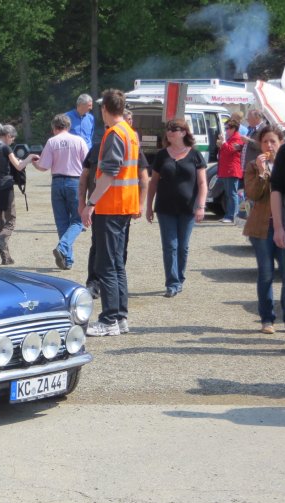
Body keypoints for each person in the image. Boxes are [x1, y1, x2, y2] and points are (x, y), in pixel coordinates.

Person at [81, 89, 140, 337]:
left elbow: (110, 173)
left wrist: (90, 203)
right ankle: (120, 317)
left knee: (106, 265)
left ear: (105, 109)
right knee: (116, 264)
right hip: (123, 206)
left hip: (110, 207)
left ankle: (109, 320)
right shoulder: (130, 132)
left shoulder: (115, 133)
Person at [79, 110, 149, 299]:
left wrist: (139, 204)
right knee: (101, 252)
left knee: (112, 262)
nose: (128, 123)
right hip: (105, 207)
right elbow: (85, 177)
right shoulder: (97, 147)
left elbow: (142, 178)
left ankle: (112, 316)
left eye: (130, 120)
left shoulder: (125, 141)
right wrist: (83, 203)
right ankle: (94, 285)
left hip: (114, 207)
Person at [145, 118, 207, 298]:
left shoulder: (195, 155)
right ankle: (172, 283)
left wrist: (201, 206)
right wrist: (149, 206)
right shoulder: (162, 155)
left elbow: (203, 183)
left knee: (183, 246)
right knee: (170, 245)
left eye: (175, 128)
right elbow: (153, 183)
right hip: (165, 208)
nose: (170, 131)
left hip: (188, 208)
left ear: (184, 132)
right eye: (168, 129)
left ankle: (180, 278)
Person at [244, 125, 285, 334]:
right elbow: (252, 194)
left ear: (280, 143)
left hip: (284, 226)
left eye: (273, 142)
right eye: (265, 142)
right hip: (262, 228)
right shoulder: (253, 165)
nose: (269, 146)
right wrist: (262, 173)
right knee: (266, 273)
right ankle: (267, 318)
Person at [32, 113, 89, 270]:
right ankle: (64, 249)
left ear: (54, 128)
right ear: (68, 126)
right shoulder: (79, 141)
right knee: (78, 220)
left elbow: (44, 166)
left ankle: (67, 259)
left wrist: (34, 163)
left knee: (62, 221)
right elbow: (87, 164)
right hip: (75, 182)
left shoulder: (52, 142)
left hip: (57, 182)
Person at [0, 123, 38, 267]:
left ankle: (5, 257)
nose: (13, 140)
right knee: (11, 220)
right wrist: (30, 157)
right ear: (7, 136)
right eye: (12, 138)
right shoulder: (5, 148)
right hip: (5, 187)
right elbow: (19, 166)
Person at [218, 117, 244, 223]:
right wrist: (222, 144)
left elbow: (230, 150)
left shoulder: (237, 138)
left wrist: (223, 142)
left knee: (232, 193)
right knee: (229, 194)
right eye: (226, 127)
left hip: (232, 169)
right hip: (226, 169)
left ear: (234, 128)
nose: (226, 130)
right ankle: (229, 214)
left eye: (228, 128)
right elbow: (225, 151)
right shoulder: (231, 138)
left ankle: (232, 215)